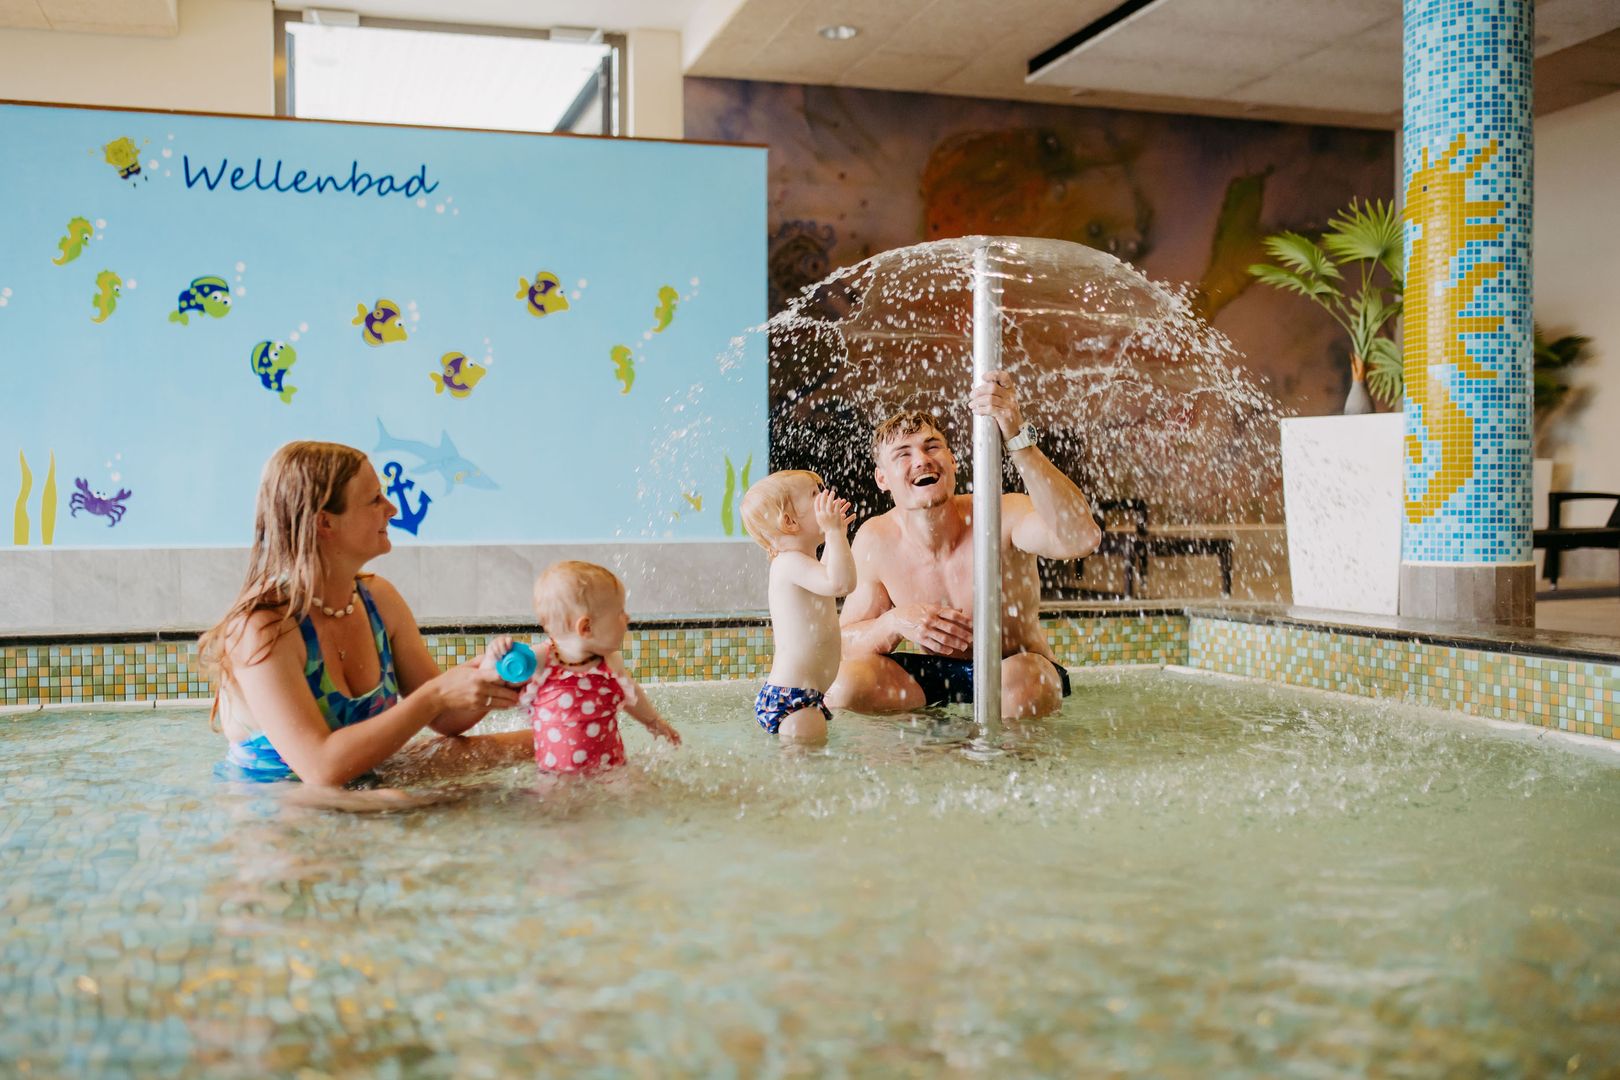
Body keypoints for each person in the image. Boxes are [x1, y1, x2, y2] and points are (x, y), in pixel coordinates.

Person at [201, 441, 528, 788]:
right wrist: (435, 696)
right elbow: (321, 768)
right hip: (279, 802)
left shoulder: (378, 601)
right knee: (400, 803)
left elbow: (446, 718)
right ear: (325, 523)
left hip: (360, 783)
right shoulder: (264, 627)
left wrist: (501, 675)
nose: (391, 509)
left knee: (532, 744)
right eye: (374, 499)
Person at [827, 371, 1103, 719]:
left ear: (953, 461)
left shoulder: (1000, 514)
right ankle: (922, 758)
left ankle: (997, 765)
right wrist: (895, 622)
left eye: (932, 447)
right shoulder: (876, 539)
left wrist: (1019, 440)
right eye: (902, 454)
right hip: (933, 677)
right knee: (845, 686)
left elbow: (1082, 537)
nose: (922, 460)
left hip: (1015, 669)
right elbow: (844, 644)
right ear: (882, 479)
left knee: (1028, 684)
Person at [491, 560, 680, 774]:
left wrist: (653, 721)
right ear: (586, 627)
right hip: (554, 775)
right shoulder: (541, 660)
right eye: (620, 612)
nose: (627, 617)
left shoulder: (610, 663)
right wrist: (495, 654)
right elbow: (497, 681)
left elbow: (631, 695)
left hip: (611, 769)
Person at [739, 470, 856, 742]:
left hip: (801, 697)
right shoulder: (788, 563)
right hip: (795, 700)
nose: (825, 496)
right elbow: (841, 585)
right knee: (806, 776)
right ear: (790, 521)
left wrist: (838, 537)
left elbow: (832, 574)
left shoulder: (800, 563)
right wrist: (835, 533)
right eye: (815, 495)